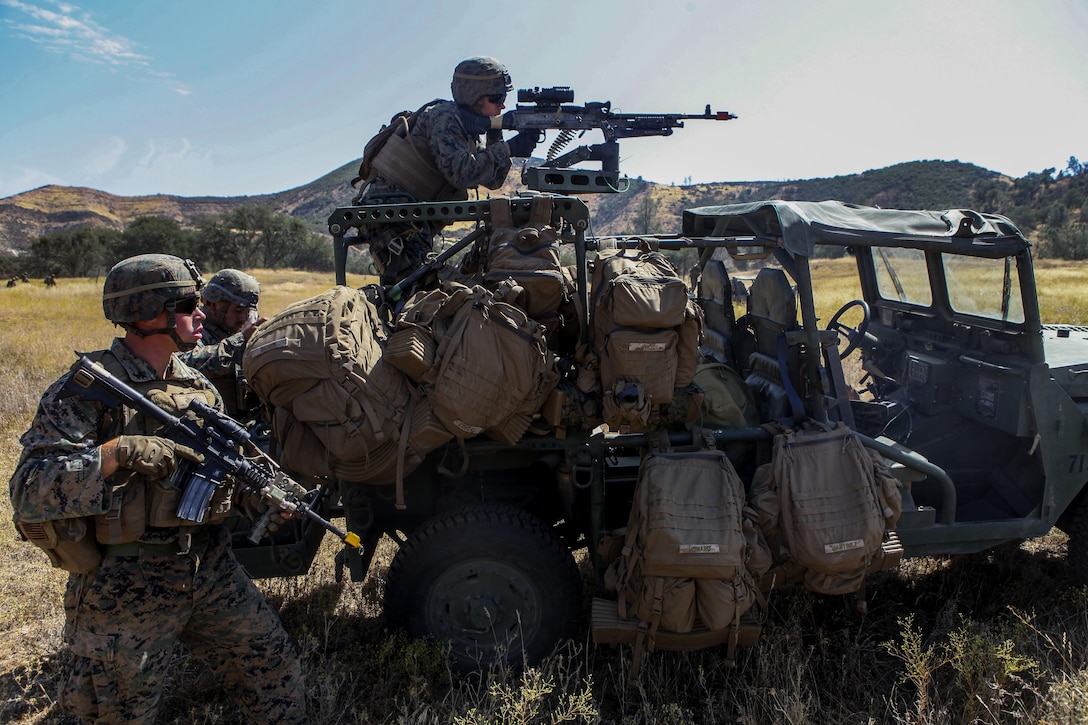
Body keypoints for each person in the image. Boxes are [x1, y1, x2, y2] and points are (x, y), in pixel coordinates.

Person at [8, 254, 308, 724]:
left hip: (207, 566)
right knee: (114, 712)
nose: (203, 312)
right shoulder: (88, 390)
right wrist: (119, 452)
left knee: (273, 671)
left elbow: (222, 475)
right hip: (124, 583)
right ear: (148, 311)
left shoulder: (197, 387)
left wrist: (262, 495)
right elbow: (30, 488)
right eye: (189, 303)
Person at [352, 56, 541, 285]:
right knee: (423, 300)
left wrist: (497, 135)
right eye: (497, 98)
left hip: (408, 218)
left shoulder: (467, 129)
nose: (502, 105)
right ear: (474, 96)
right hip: (392, 218)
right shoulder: (444, 116)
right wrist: (509, 147)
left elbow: (493, 181)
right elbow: (461, 173)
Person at [182, 269, 264, 418]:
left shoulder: (236, 330)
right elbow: (187, 364)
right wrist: (241, 341)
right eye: (238, 310)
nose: (244, 317)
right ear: (214, 304)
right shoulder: (191, 329)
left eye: (248, 311)